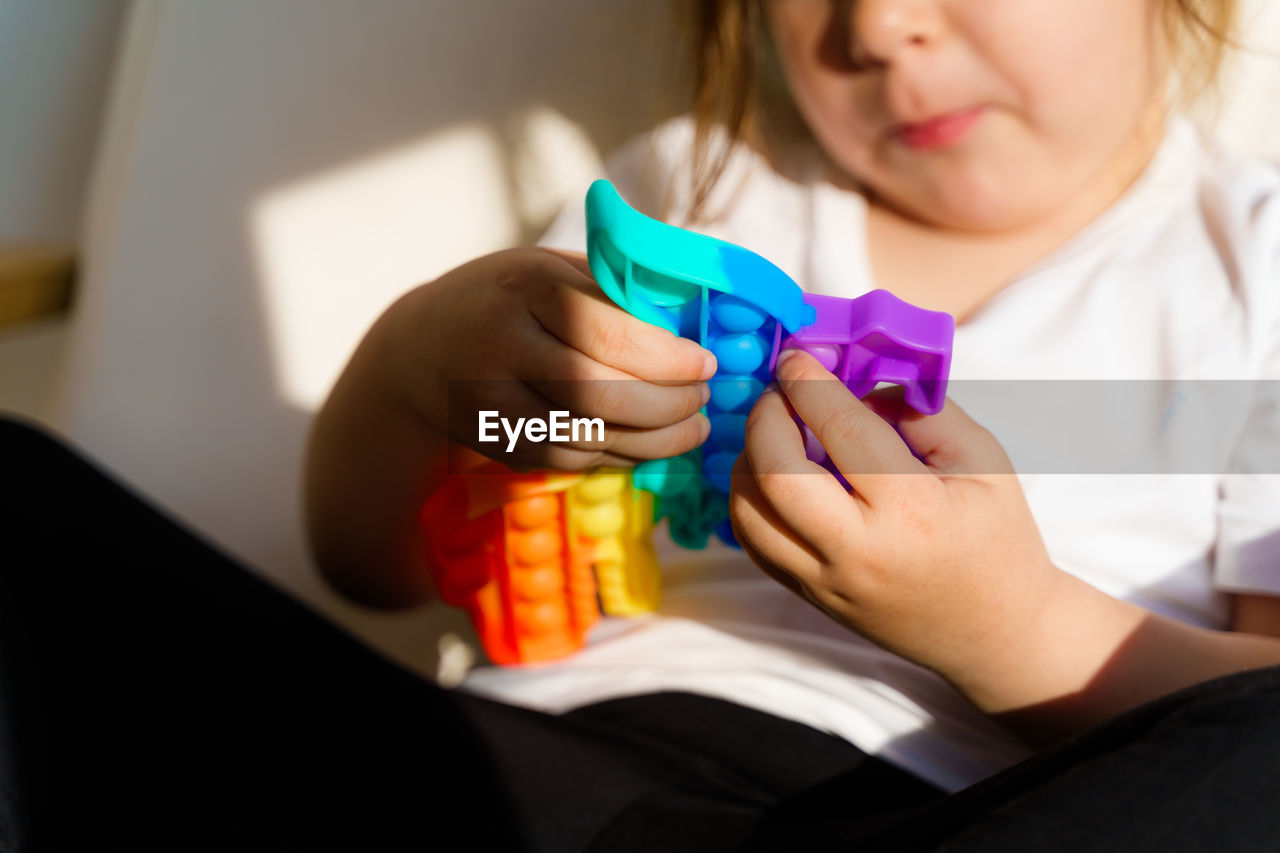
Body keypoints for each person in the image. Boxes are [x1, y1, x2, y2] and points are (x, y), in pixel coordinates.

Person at [5, 0, 1280, 850]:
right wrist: (423, 374)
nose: (881, 27)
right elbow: (371, 562)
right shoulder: (690, 193)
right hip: (517, 758)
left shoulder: (1255, 265)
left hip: (958, 801)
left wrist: (1012, 628)